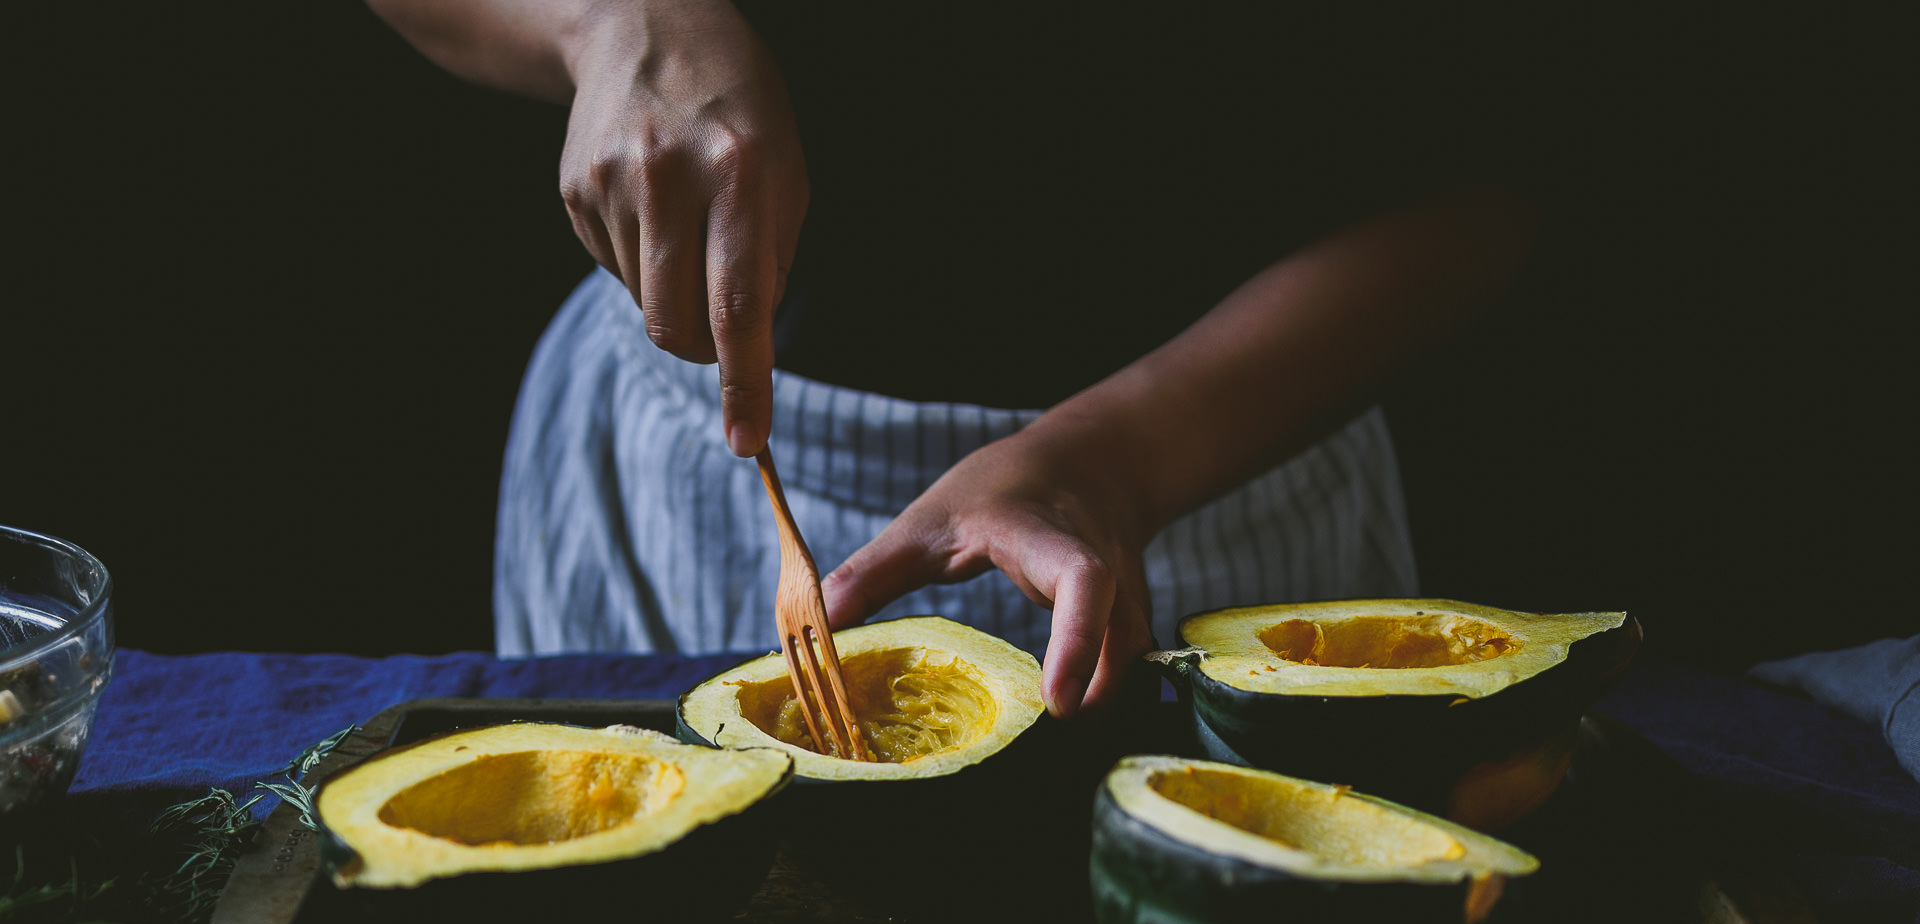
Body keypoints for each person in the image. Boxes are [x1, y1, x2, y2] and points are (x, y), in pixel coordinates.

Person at [367, 0, 1543, 717]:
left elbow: (1501, 173)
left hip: (1235, 467)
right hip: (679, 477)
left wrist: (1118, 459)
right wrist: (609, 15)